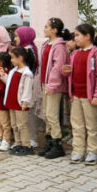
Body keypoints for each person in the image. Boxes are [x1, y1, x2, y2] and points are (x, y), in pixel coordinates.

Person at [64, 24, 97, 165]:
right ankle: (78, 150)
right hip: (76, 95)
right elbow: (72, 73)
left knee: (92, 125)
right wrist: (67, 72)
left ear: (88, 36)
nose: (75, 38)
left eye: (77, 35)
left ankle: (93, 151)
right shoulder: (75, 53)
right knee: (77, 124)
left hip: (89, 96)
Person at [38, 18, 71, 159]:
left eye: (47, 27)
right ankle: (50, 141)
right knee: (47, 113)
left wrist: (51, 85)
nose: (44, 29)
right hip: (46, 83)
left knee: (52, 114)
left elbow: (57, 68)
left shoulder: (59, 47)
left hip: (54, 85)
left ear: (54, 30)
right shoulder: (47, 44)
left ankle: (57, 143)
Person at [5, 47, 39, 155]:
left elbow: (27, 89)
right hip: (12, 102)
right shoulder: (13, 71)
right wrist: (3, 77)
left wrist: (25, 101)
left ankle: (26, 145)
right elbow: (10, 84)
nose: (11, 60)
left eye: (12, 58)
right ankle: (18, 143)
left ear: (20, 58)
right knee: (14, 125)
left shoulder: (27, 73)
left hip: (20, 103)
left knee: (22, 125)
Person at [14, 25, 41, 151]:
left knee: (28, 113)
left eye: (17, 36)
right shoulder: (24, 49)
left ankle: (31, 138)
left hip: (28, 86)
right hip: (23, 86)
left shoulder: (28, 51)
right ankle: (25, 137)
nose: (15, 38)